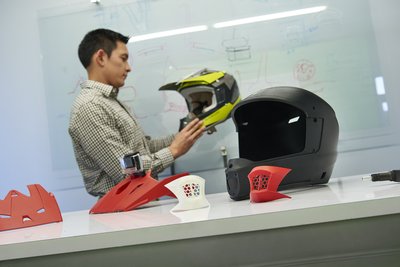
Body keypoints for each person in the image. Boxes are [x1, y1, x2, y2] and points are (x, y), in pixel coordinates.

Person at [69, 28, 205, 198]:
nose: (129, 68)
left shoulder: (110, 102)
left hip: (137, 205)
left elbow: (142, 150)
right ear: (101, 57)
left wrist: (187, 134)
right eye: (123, 59)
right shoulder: (90, 107)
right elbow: (126, 170)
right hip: (121, 213)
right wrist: (173, 150)